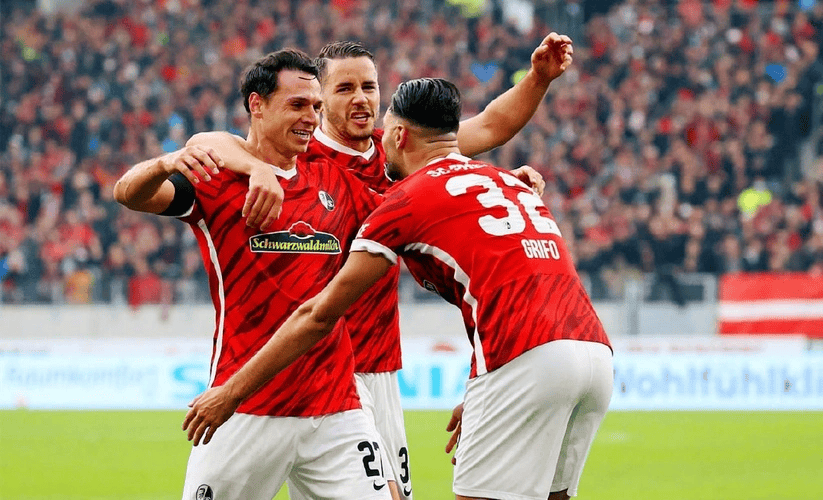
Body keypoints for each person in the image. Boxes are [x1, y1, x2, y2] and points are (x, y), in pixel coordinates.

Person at [182, 78, 614, 500]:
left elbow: (318, 315)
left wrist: (232, 392)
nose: (372, 126)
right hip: (593, 352)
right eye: (344, 88)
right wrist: (489, 386)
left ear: (399, 135)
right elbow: (507, 286)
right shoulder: (505, 181)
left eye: (371, 92)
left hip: (506, 358)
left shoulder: (403, 199)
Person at [113, 49, 391, 500]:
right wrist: (165, 163)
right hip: (242, 406)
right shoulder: (216, 180)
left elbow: (409, 215)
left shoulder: (335, 182)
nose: (311, 118)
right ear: (257, 105)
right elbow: (128, 193)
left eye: (315, 106)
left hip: (336, 409)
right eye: (297, 105)